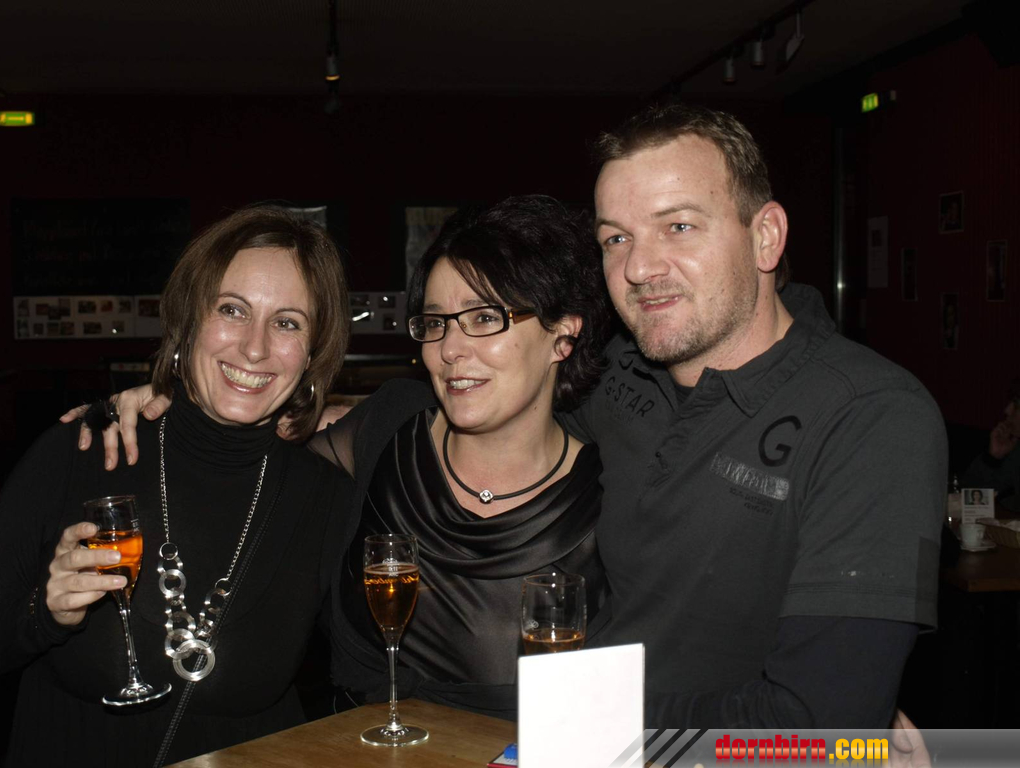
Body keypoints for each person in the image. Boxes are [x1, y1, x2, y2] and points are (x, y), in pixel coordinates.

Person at [63, 195, 613, 720]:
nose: (449, 349)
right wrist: (171, 404)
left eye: (485, 318)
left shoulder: (613, 486)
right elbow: (256, 459)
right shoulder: (390, 425)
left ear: (563, 333)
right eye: (436, 322)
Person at [562, 101, 946, 728]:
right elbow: (507, 433)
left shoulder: (871, 416)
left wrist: (580, 717)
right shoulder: (616, 372)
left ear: (765, 236)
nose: (638, 268)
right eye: (616, 239)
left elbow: (820, 729)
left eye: (678, 226)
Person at [0, 206, 354, 766]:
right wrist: (45, 612)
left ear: (312, 352)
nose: (255, 347)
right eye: (232, 310)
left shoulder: (326, 499)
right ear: (188, 321)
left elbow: (373, 679)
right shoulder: (83, 450)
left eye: (287, 322)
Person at [962, 379, 1020, 513]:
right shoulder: (1016, 450)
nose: (1007, 410)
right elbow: (970, 501)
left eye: (1016, 404)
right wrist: (992, 459)